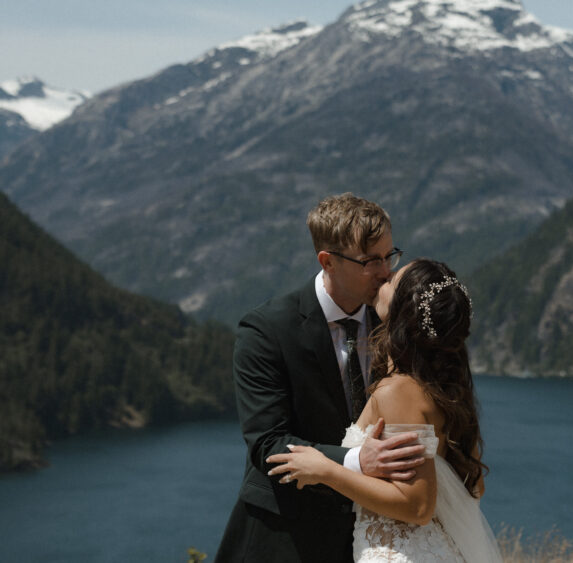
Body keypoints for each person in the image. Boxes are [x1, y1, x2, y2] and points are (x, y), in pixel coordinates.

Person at [215, 193, 428, 562]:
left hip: (370, 539)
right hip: (285, 537)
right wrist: (358, 462)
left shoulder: (394, 321)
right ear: (327, 261)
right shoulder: (266, 330)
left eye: (389, 256)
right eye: (370, 261)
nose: (385, 271)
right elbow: (268, 444)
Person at [266, 258, 502, 562]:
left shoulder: (399, 391)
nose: (385, 275)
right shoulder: (445, 390)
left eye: (392, 280)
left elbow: (418, 507)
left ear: (404, 311)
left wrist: (327, 472)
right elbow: (473, 487)